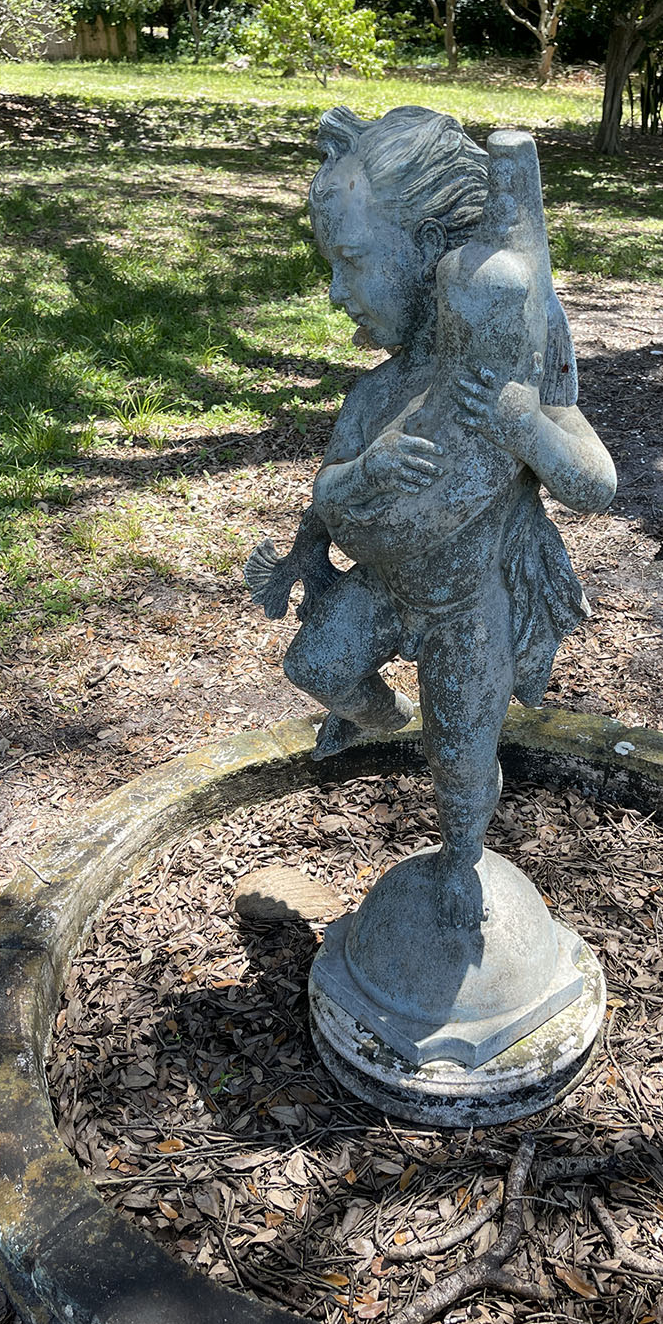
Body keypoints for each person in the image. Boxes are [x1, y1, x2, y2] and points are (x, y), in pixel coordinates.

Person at [245, 105, 615, 929]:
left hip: (465, 605)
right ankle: (386, 722)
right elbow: (329, 492)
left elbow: (595, 484)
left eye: (350, 262)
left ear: (430, 246)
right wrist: (338, 509)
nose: (338, 294)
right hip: (384, 583)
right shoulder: (378, 395)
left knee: (462, 761)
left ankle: (460, 863)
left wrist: (523, 424)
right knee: (316, 666)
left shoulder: (500, 388)